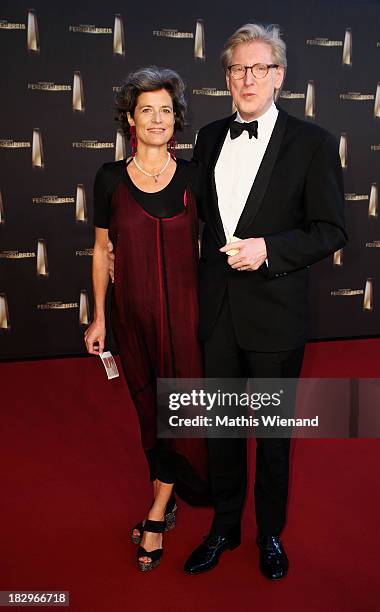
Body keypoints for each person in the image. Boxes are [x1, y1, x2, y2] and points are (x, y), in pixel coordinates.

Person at [183, 24, 347, 579]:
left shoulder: (313, 143)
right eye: (237, 69)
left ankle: (269, 533)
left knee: (273, 436)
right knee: (222, 429)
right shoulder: (207, 138)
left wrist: (269, 250)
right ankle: (224, 527)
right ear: (226, 78)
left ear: (279, 77)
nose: (247, 79)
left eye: (259, 68)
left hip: (275, 314)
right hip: (218, 313)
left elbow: (330, 230)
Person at [84, 67, 208, 573]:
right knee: (149, 414)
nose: (157, 119)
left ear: (175, 119)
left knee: (178, 412)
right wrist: (98, 317)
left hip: (185, 320)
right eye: (146, 110)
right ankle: (166, 491)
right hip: (130, 317)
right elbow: (99, 251)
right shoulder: (109, 178)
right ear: (130, 120)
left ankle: (157, 509)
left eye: (165, 110)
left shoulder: (197, 174)